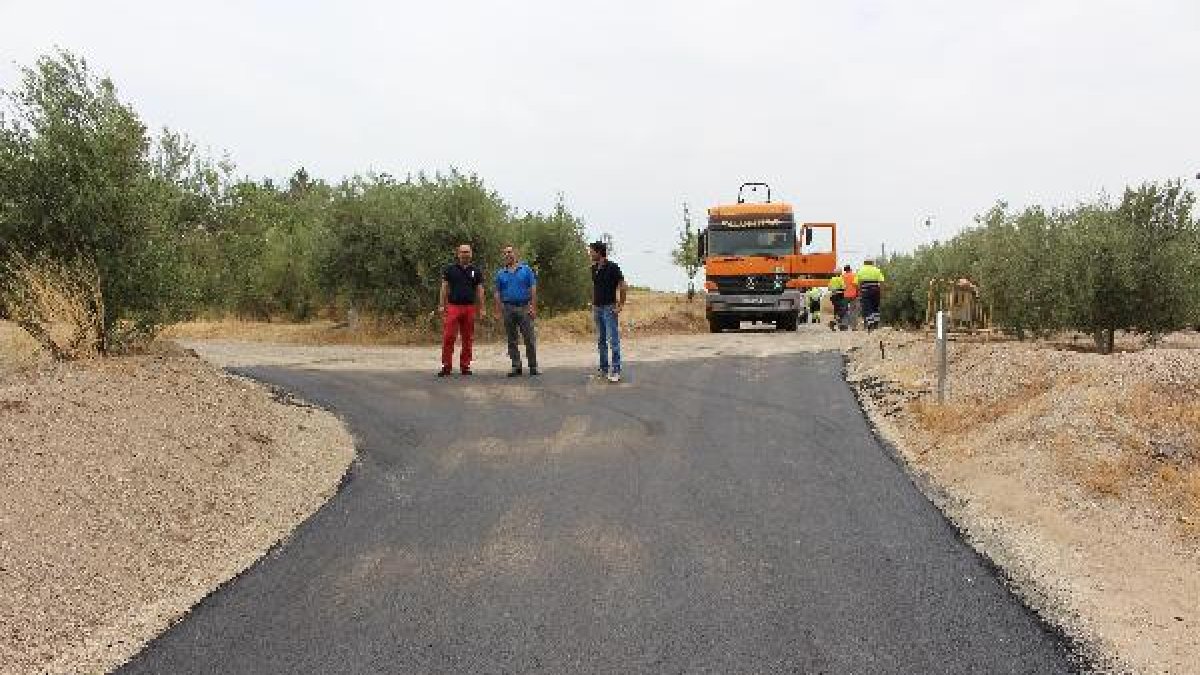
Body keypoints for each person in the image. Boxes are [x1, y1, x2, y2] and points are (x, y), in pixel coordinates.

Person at [437, 244, 485, 377]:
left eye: (468, 252)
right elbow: (444, 287)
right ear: (458, 254)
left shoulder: (476, 270)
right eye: (463, 252)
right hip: (453, 307)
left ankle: (465, 366)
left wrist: (482, 308)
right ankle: (446, 366)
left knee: (468, 338)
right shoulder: (450, 269)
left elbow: (480, 290)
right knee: (448, 337)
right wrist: (441, 305)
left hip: (470, 308)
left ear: (471, 254)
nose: (465, 254)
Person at [493, 244, 539, 377]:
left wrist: (533, 307)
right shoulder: (501, 273)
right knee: (511, 339)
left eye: (510, 252)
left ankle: (533, 366)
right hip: (508, 308)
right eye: (505, 253)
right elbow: (497, 293)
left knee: (529, 338)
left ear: (515, 254)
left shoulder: (526, 270)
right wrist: (497, 310)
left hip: (524, 307)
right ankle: (516, 366)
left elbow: (533, 289)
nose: (508, 255)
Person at [589, 240, 627, 383]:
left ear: (599, 252)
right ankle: (603, 369)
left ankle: (616, 370)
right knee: (601, 340)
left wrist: (620, 305)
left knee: (613, 340)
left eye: (592, 251)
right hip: (597, 308)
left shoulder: (613, 267)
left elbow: (623, 286)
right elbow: (595, 287)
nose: (590, 254)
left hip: (609, 308)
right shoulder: (593, 269)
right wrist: (593, 303)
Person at [856, 259, 886, 331]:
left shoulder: (860, 271)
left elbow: (857, 283)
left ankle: (870, 323)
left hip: (865, 291)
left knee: (867, 307)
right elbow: (881, 281)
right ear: (872, 262)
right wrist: (882, 292)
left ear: (864, 262)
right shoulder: (877, 270)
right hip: (876, 291)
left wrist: (859, 292)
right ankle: (875, 324)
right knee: (875, 307)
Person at [840, 264, 859, 331]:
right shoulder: (854, 275)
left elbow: (841, 286)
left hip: (845, 295)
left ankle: (844, 325)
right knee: (853, 311)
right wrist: (858, 292)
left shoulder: (842, 276)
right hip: (854, 295)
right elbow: (856, 284)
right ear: (850, 269)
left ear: (844, 270)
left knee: (844, 310)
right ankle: (854, 327)